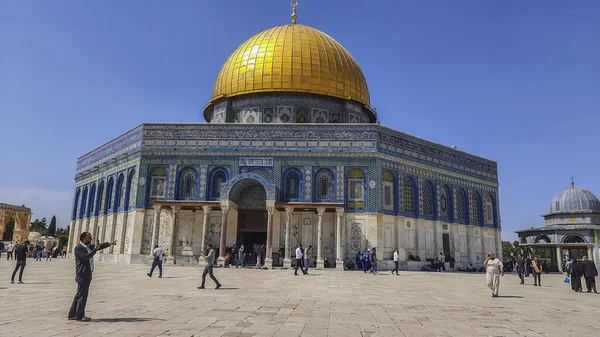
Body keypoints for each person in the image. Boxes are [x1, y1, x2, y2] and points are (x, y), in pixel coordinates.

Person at [68, 232, 116, 321]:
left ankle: (72, 314)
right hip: (82, 274)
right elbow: (86, 257)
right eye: (89, 238)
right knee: (83, 295)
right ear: (83, 239)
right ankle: (80, 316)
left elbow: (99, 246)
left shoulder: (88, 246)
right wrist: (95, 250)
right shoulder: (79, 248)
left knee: (79, 294)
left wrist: (110, 243)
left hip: (87, 273)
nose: (91, 239)